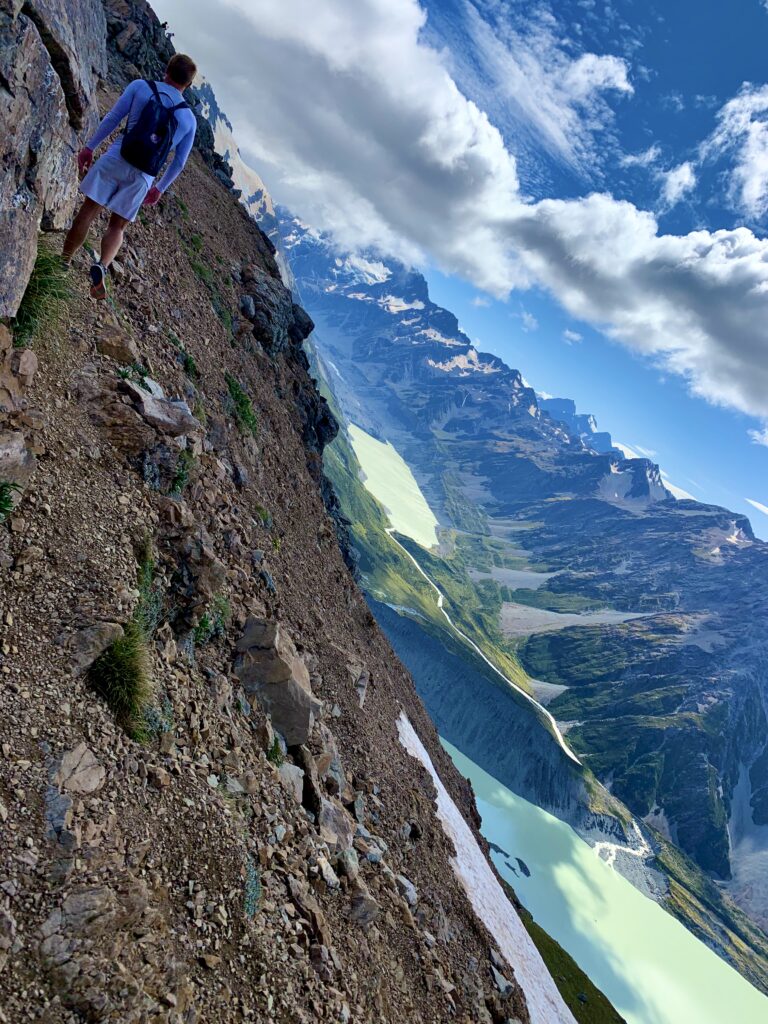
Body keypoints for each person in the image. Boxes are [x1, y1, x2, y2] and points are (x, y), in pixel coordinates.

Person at [62, 54, 198, 299]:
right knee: (117, 226)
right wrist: (160, 188)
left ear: (166, 70)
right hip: (144, 176)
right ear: (188, 84)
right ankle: (102, 265)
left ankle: (64, 262)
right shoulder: (188, 119)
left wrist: (89, 147)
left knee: (89, 210)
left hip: (117, 157)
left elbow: (113, 118)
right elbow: (179, 162)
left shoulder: (140, 87)